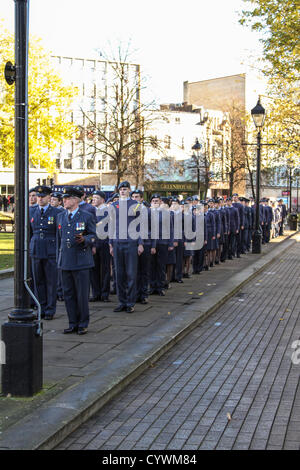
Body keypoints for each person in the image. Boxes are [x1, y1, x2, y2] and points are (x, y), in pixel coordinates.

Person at [57, 186, 97, 335]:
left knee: (81, 295)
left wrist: (85, 239)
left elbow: (94, 236)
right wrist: (59, 260)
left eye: (67, 199)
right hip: (66, 261)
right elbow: (58, 240)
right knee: (68, 295)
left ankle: (83, 323)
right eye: (64, 199)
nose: (64, 201)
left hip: (81, 261)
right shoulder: (61, 216)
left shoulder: (86, 216)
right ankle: (72, 322)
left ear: (75, 200)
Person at [109, 181, 144, 313]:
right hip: (117, 242)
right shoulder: (114, 205)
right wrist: (110, 244)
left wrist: (140, 243)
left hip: (131, 242)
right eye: (121, 189)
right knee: (119, 274)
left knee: (131, 273)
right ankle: (122, 301)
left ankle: (130, 302)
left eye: (125, 189)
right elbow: (111, 225)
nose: (122, 191)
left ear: (129, 190)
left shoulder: (135, 205)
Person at [29, 185, 61, 320]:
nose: (40, 199)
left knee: (50, 281)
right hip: (36, 248)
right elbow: (29, 232)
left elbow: (59, 233)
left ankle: (50, 309)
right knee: (38, 281)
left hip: (51, 249)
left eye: (43, 197)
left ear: (49, 197)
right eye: (38, 196)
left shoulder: (56, 212)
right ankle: (41, 307)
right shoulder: (31, 211)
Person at [90, 190, 111, 302]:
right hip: (94, 242)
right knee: (94, 268)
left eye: (96, 198)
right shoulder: (91, 211)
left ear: (102, 199)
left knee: (105, 269)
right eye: (93, 197)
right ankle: (95, 293)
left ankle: (104, 293)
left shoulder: (107, 211)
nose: (94, 199)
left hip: (105, 242)